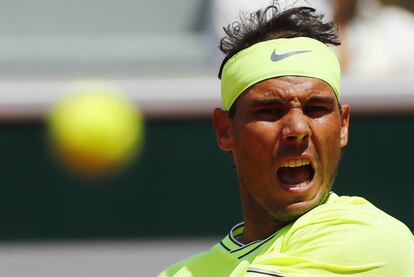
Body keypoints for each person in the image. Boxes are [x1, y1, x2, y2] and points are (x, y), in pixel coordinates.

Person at [159, 2, 414, 276]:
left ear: (343, 125)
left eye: (316, 109)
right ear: (225, 130)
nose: (297, 128)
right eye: (270, 111)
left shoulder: (367, 239)